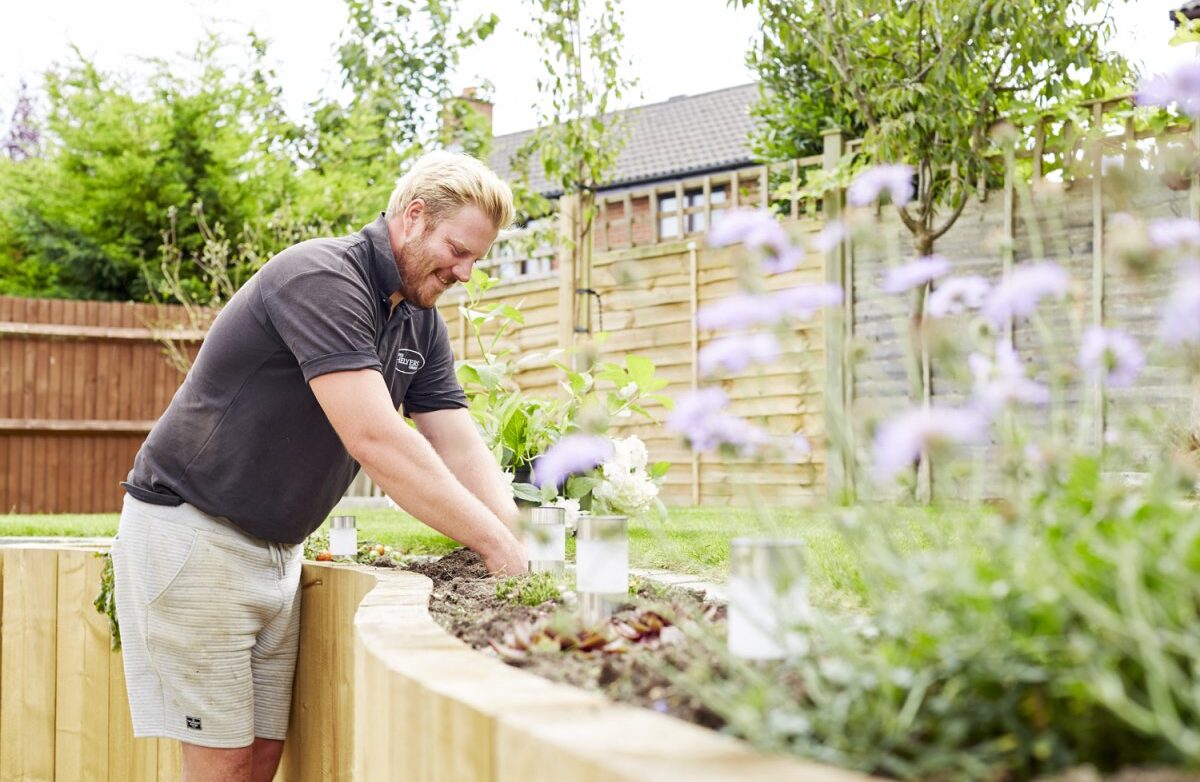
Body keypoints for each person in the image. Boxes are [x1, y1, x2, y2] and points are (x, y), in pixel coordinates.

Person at [110, 151, 527, 782]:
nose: (466, 272)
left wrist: (521, 547)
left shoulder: (418, 319)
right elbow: (376, 439)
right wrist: (494, 546)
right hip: (193, 534)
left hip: (276, 549)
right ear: (412, 217)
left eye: (477, 258)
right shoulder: (321, 277)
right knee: (221, 766)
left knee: (259, 759)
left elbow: (460, 444)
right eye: (458, 249)